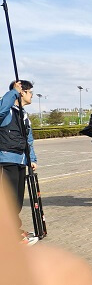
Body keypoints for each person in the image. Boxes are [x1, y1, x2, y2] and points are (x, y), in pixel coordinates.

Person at [0, 80, 39, 245]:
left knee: (16, 201)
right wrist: (13, 92)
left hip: (21, 161)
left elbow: (28, 140)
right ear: (22, 92)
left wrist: (33, 159)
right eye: (29, 92)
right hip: (6, 160)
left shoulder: (24, 115)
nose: (32, 96)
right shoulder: (7, 111)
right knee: (7, 201)